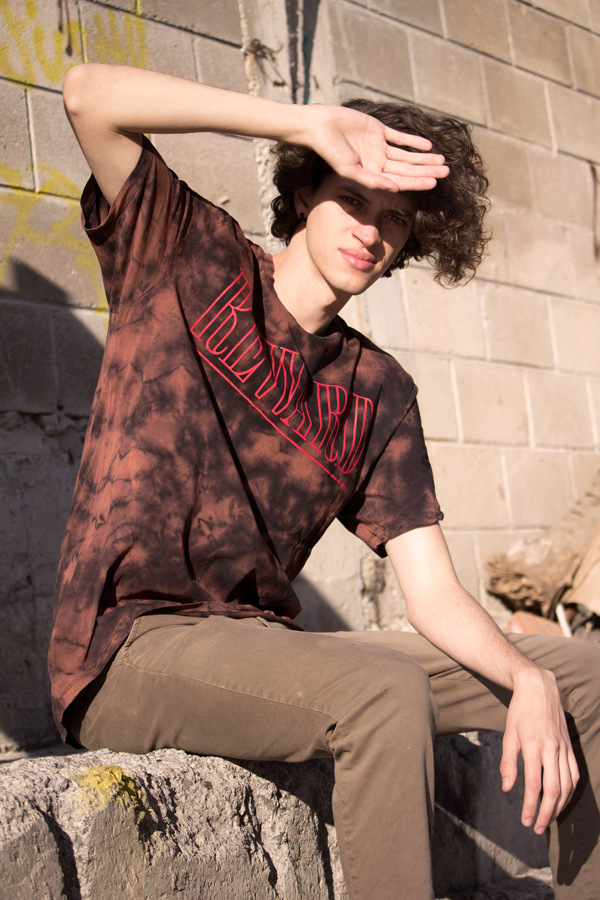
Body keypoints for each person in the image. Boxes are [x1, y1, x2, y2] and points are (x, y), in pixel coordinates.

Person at [48, 63, 599, 900]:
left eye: (396, 219)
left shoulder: (379, 390)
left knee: (581, 677)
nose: (371, 232)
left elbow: (432, 594)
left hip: (261, 647)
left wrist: (528, 679)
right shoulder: (188, 255)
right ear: (305, 193)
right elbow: (87, 94)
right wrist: (301, 122)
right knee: (383, 692)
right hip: (127, 649)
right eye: (352, 198)